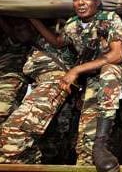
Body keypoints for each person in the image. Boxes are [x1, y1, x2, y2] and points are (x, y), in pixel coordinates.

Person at [29, 0, 122, 172]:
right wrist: (32, 18)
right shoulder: (72, 24)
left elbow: (116, 55)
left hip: (113, 73)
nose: (80, 3)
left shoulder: (109, 18)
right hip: (90, 81)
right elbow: (58, 42)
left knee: (109, 71)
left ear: (97, 2)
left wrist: (75, 70)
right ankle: (90, 154)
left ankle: (101, 145)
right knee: (86, 134)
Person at [0, 17, 77, 164]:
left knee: (13, 135)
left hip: (55, 83)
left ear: (33, 27)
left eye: (21, 28)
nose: (17, 32)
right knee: (46, 143)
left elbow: (58, 41)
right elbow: (12, 33)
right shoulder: (30, 45)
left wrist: (31, 16)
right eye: (15, 29)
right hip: (42, 85)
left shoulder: (54, 39)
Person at [0, 16, 34, 123]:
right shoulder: (6, 42)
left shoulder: (25, 46)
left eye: (20, 27)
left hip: (10, 79)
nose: (17, 30)